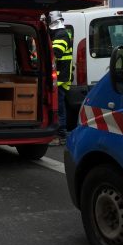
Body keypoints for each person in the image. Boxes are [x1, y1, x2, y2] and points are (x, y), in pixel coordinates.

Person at [49, 10, 73, 145]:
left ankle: (61, 134)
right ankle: (60, 133)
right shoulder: (62, 33)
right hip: (61, 76)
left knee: (59, 107)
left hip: (60, 77)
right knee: (59, 106)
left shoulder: (61, 34)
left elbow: (56, 52)